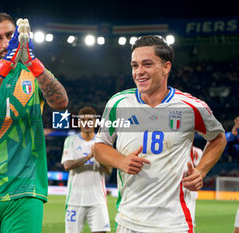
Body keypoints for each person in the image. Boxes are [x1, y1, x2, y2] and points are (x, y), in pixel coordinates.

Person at [94, 35, 227, 233]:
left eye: (147, 64)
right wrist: (120, 161)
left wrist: (201, 170)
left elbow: (218, 138)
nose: (139, 72)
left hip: (175, 223)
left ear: (166, 67)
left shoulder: (191, 107)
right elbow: (99, 146)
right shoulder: (118, 104)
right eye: (135, 65)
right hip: (128, 220)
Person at [0, 13, 68, 233]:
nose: (6, 43)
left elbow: (61, 102)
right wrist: (7, 64)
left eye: (11, 35)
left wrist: (32, 62)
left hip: (25, 189)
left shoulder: (33, 73)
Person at [61, 107, 111, 233]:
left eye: (90, 120)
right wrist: (89, 156)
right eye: (83, 120)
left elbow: (109, 170)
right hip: (75, 200)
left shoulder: (102, 143)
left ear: (95, 122)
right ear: (79, 122)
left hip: (97, 200)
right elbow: (67, 165)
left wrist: (99, 157)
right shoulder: (71, 140)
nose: (87, 123)